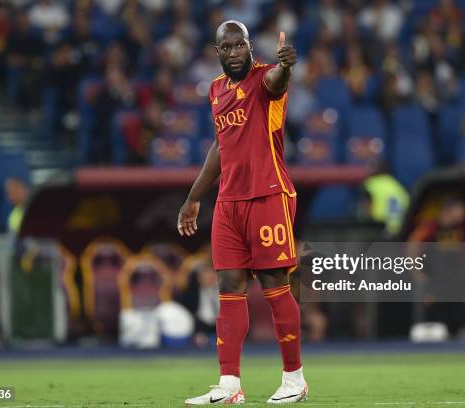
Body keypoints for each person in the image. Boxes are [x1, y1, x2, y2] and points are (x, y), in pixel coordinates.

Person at [177, 21, 307, 405]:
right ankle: (230, 384)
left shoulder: (266, 77)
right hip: (228, 203)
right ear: (216, 51)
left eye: (240, 45)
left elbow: (278, 83)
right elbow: (221, 146)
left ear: (250, 47)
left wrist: (287, 65)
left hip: (268, 195)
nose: (234, 52)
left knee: (273, 284)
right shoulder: (216, 89)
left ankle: (294, 379)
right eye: (227, 47)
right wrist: (194, 197)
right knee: (228, 289)